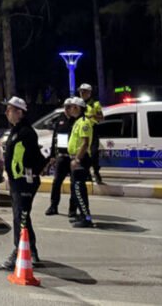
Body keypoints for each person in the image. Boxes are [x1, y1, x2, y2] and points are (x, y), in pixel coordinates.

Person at [2, 97, 46, 271]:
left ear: (20, 113)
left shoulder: (26, 132)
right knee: (23, 216)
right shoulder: (16, 130)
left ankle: (18, 250)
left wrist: (28, 174)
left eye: (10, 110)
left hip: (24, 182)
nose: (7, 113)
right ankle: (31, 250)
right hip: (17, 182)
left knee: (20, 217)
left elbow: (30, 158)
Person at [44, 98, 78, 218]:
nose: (70, 109)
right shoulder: (60, 120)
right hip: (62, 157)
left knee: (74, 184)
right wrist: (53, 155)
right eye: (68, 107)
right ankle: (53, 206)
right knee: (56, 182)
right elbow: (55, 139)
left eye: (72, 107)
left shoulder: (77, 120)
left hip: (73, 157)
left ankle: (72, 209)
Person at [68, 97, 95, 228]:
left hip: (81, 159)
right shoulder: (78, 121)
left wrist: (77, 159)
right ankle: (83, 215)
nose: (70, 109)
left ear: (78, 108)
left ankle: (86, 217)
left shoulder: (84, 122)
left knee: (78, 189)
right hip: (77, 158)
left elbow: (85, 143)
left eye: (72, 106)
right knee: (76, 189)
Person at [78, 83, 104, 184]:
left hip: (92, 130)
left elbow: (101, 118)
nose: (81, 93)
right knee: (83, 153)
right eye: (80, 91)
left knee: (93, 154)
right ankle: (87, 174)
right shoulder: (78, 104)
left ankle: (96, 172)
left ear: (89, 92)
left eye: (83, 91)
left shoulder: (95, 104)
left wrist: (92, 116)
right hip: (81, 131)